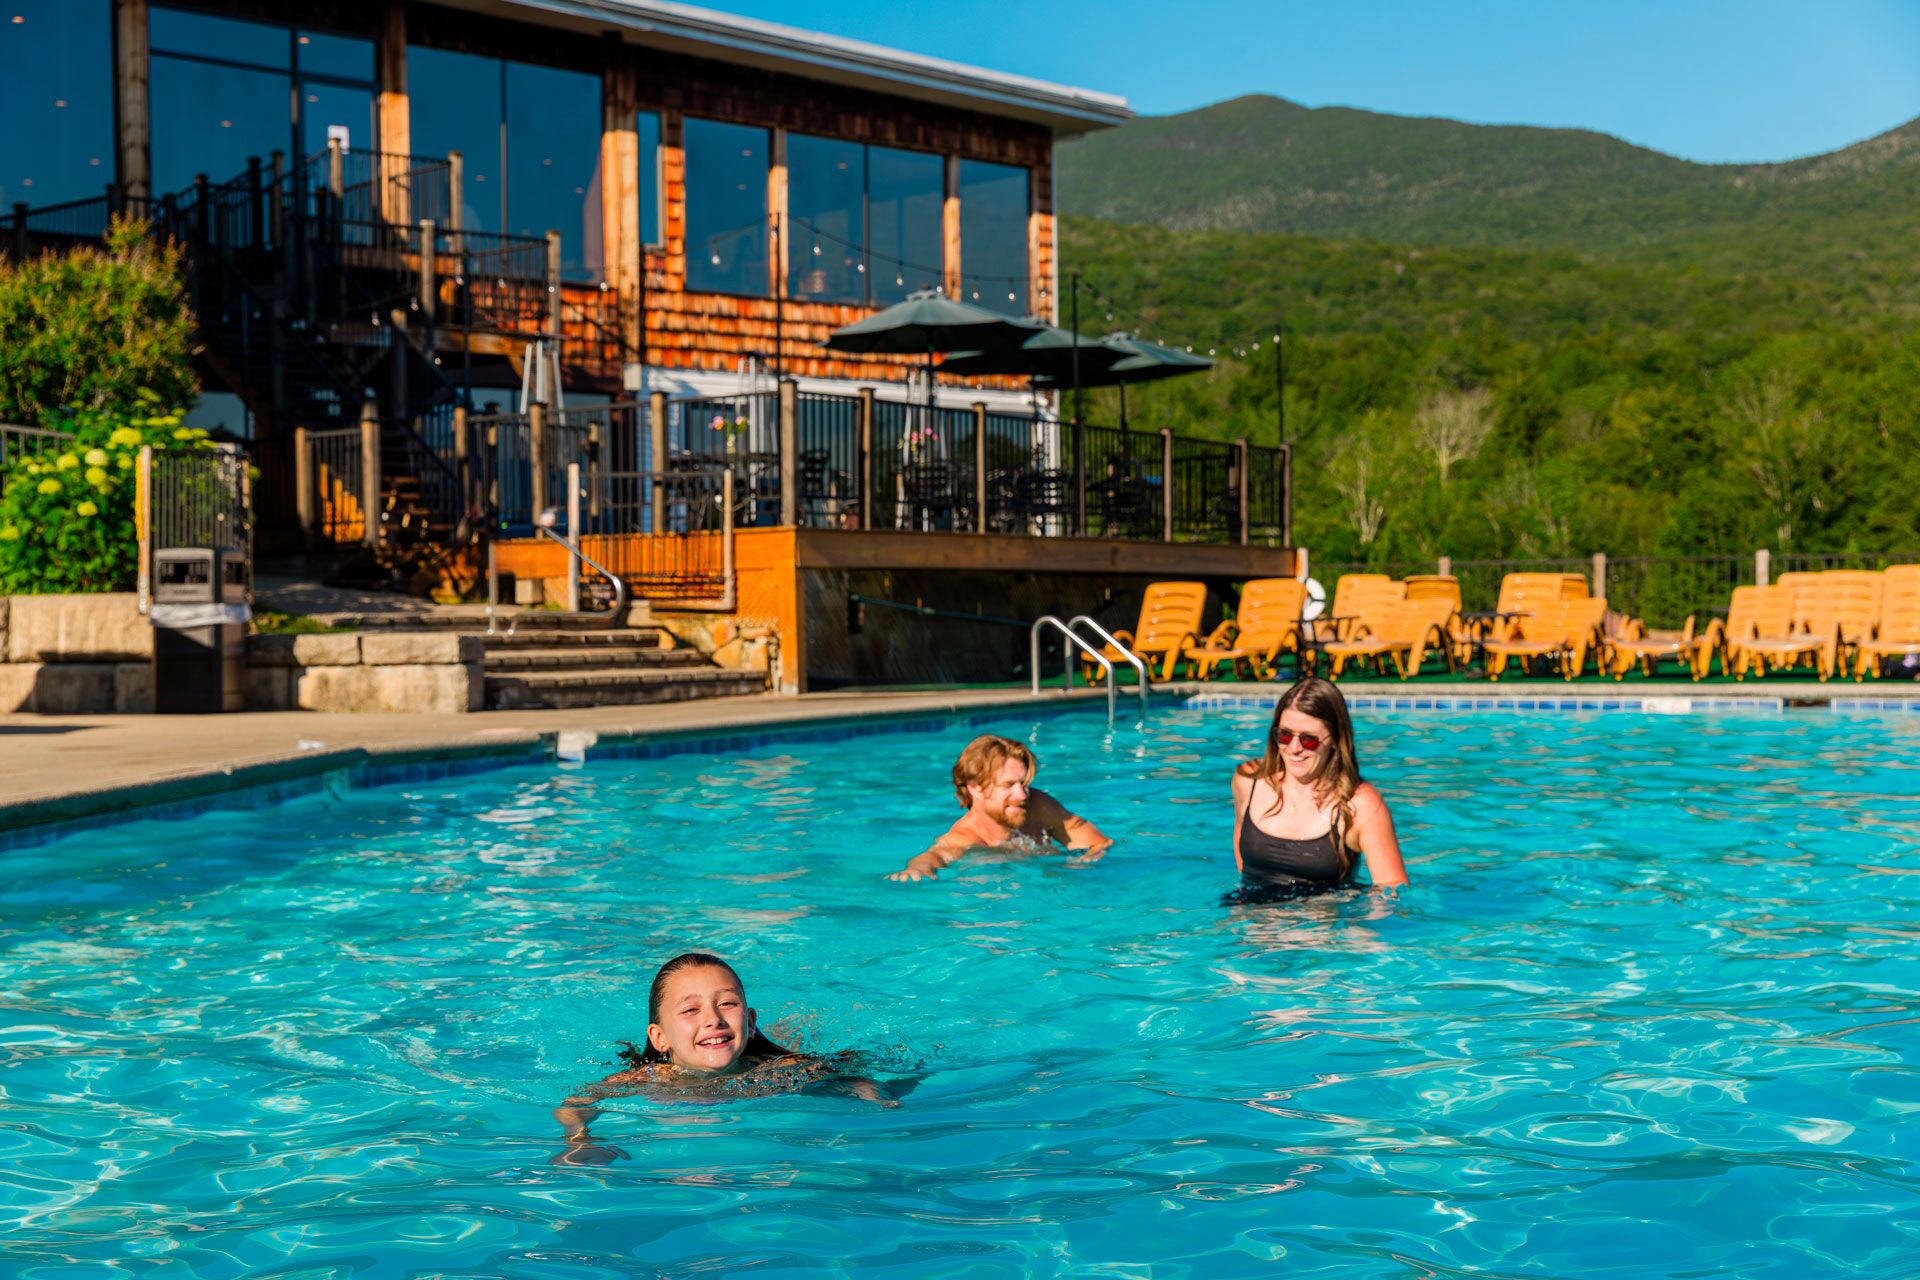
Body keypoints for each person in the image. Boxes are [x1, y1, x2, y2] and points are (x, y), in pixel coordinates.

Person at [552, 952, 888, 1164]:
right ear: (660, 1037)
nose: (712, 1019)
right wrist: (580, 1139)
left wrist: (873, 1096)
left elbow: (847, 1073)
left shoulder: (780, 1073)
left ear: (751, 1022)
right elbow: (572, 1105)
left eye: (727, 1003)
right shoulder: (644, 1080)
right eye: (691, 1009)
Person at [1229, 677, 1408, 901]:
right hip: (1252, 925)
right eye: (1284, 735)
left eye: (1309, 740)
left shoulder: (1360, 805)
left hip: (1320, 928)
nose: (1294, 748)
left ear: (1334, 739)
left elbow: (1392, 891)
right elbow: (1240, 846)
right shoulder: (1249, 781)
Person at [887, 734, 1113, 882]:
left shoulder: (1038, 807)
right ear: (975, 788)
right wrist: (917, 870)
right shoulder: (965, 838)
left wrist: (1082, 866)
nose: (1022, 794)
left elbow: (1099, 843)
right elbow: (934, 856)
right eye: (1008, 785)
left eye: (1023, 784)